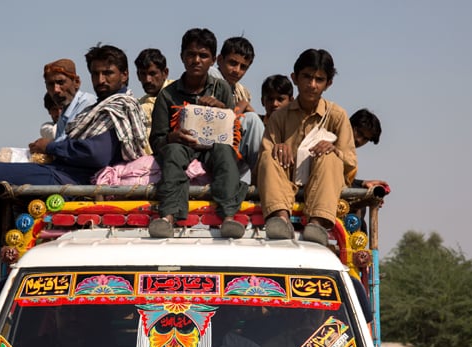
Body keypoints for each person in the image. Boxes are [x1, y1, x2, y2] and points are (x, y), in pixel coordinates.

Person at [0, 46, 148, 289]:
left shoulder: (115, 107)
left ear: (124, 75)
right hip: (65, 171)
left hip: (70, 177)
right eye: (96, 74)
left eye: (108, 73)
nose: (100, 80)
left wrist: (51, 147)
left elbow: (95, 155)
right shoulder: (102, 106)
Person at [148, 28, 248, 239]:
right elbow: (156, 140)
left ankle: (228, 217)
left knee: (224, 152)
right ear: (182, 57)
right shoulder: (167, 94)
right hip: (182, 146)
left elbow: (232, 132)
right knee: (173, 152)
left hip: (212, 147)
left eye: (203, 55)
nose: (196, 60)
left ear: (212, 60)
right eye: (191, 54)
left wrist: (221, 110)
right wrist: (171, 137)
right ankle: (168, 217)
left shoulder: (221, 89)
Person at [256, 48, 357, 245]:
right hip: (285, 184)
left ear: (328, 84)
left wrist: (333, 149)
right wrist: (278, 148)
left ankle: (317, 222)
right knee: (269, 156)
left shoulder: (337, 115)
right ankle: (280, 218)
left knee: (330, 157)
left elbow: (351, 162)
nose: (312, 85)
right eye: (307, 77)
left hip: (322, 186)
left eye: (319, 80)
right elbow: (263, 159)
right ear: (295, 78)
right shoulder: (279, 116)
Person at [214, 36, 265, 182]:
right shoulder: (211, 76)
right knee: (252, 121)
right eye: (232, 63)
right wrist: (243, 104)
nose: (237, 71)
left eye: (243, 67)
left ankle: (262, 177)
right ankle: (262, 179)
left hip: (230, 152)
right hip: (210, 149)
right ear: (219, 60)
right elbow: (225, 119)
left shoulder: (241, 90)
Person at [134, 48, 173, 140]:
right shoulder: (138, 104)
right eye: (143, 74)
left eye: (152, 74)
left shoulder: (176, 95)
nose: (148, 80)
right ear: (138, 76)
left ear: (165, 73)